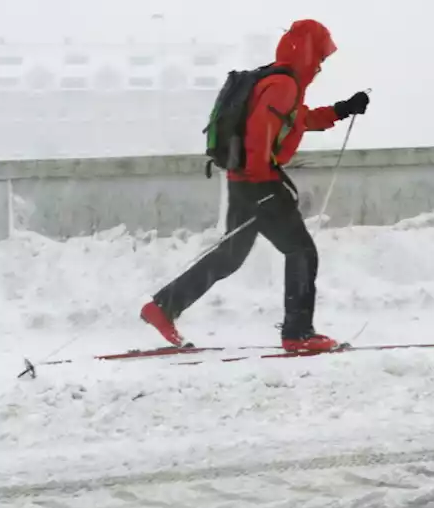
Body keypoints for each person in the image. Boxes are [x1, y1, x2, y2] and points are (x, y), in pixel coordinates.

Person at [139, 19, 369, 352]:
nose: (320, 64)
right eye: (318, 55)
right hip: (257, 181)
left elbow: (299, 119)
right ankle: (298, 333)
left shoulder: (276, 79)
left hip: (242, 179)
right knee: (301, 250)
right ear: (307, 52)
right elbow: (260, 133)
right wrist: (264, 183)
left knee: (230, 256)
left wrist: (342, 110)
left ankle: (164, 307)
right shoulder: (282, 85)